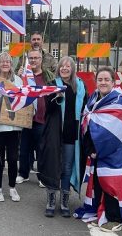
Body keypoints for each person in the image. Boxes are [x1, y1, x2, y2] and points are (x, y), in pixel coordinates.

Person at [82, 66, 122, 232]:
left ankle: (114, 219)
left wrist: (100, 149)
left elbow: (116, 129)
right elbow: (88, 122)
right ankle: (102, 216)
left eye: (107, 79)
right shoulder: (93, 98)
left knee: (112, 184)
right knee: (99, 183)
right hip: (98, 150)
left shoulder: (119, 100)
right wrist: (91, 148)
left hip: (115, 151)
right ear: (96, 82)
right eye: (100, 79)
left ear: (113, 82)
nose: (103, 82)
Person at [38, 56, 87, 217]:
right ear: (58, 68)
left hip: (72, 135)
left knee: (67, 167)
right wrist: (56, 99)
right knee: (53, 166)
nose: (65, 68)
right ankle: (51, 200)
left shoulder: (80, 86)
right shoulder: (52, 85)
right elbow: (47, 109)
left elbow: (86, 111)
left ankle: (64, 201)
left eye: (68, 66)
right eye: (62, 66)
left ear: (73, 69)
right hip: (55, 133)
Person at [0, 52, 22, 202]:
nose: (5, 64)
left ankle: (12, 188)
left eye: (8, 62)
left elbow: (23, 100)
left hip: (13, 127)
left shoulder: (18, 80)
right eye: (2, 62)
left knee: (13, 159)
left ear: (11, 64)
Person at [16, 49, 55, 184]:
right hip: (26, 118)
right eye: (31, 58)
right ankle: (23, 173)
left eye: (36, 58)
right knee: (24, 149)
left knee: (41, 150)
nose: (33, 60)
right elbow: (17, 91)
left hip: (42, 118)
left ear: (41, 60)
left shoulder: (47, 76)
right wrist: (18, 77)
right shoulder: (24, 75)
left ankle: (42, 177)